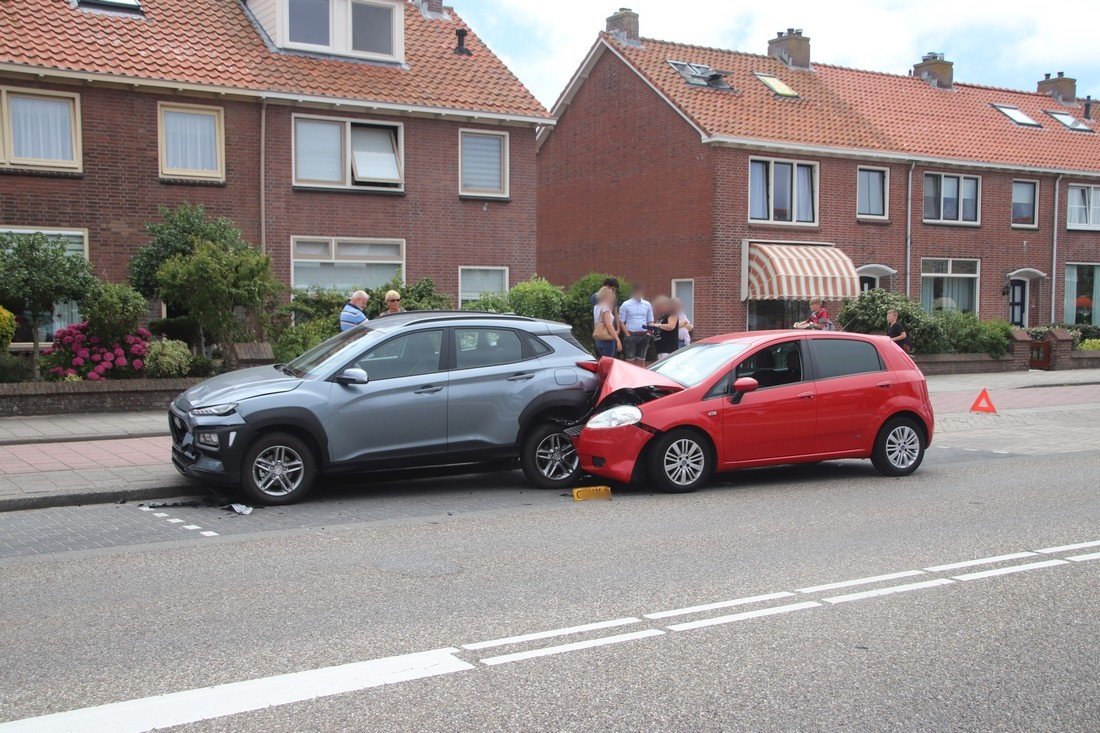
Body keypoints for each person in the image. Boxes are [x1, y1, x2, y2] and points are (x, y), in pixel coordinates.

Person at [618, 285, 654, 367]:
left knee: (641, 360)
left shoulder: (647, 304)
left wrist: (649, 333)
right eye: (637, 291)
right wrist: (627, 334)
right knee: (630, 361)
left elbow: (650, 321)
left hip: (644, 335)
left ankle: (641, 378)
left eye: (640, 291)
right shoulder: (626, 304)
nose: (639, 293)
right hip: (631, 334)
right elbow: (621, 321)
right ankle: (630, 378)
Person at [592, 286, 622, 358]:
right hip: (607, 339)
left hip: (598, 338)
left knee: (602, 361)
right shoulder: (605, 308)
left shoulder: (596, 307)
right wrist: (617, 339)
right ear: (607, 296)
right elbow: (609, 325)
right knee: (609, 362)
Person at [649, 295, 680, 360]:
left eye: (659, 306)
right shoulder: (662, 317)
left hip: (668, 350)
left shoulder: (672, 314)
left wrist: (658, 325)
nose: (657, 308)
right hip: (660, 350)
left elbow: (671, 326)